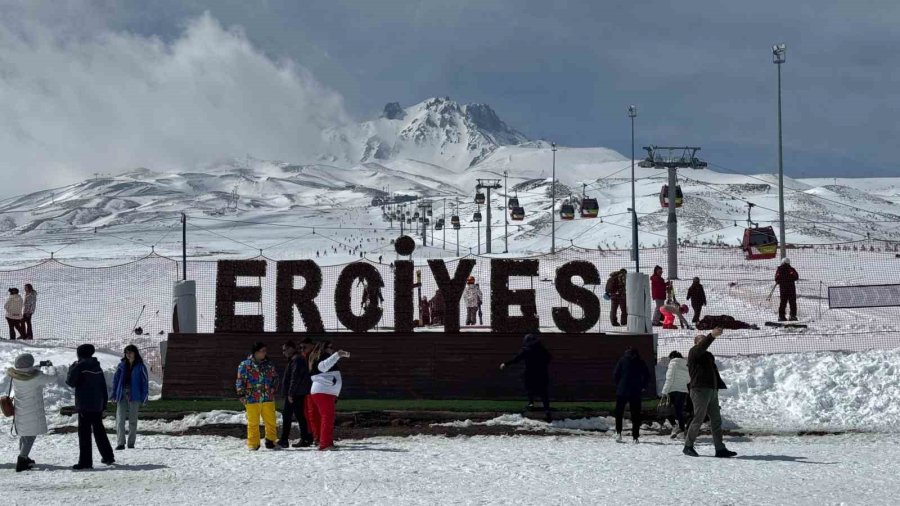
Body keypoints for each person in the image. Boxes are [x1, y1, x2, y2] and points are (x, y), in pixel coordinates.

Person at [683, 328, 737, 458]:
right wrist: (711, 335)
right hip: (699, 390)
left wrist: (717, 386)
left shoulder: (708, 355)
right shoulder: (694, 352)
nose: (704, 342)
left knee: (716, 420)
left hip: (711, 390)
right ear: (696, 343)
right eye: (701, 341)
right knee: (698, 418)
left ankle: (720, 448)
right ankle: (688, 446)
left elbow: (713, 372)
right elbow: (702, 346)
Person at [66, 344, 115, 469]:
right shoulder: (96, 366)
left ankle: (85, 462)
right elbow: (103, 386)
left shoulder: (80, 366)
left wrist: (71, 369)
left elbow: (71, 382)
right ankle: (108, 456)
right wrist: (103, 404)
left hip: (84, 404)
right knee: (99, 430)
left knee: (84, 433)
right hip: (97, 404)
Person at [4, 354, 55, 472]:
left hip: (20, 409)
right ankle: (22, 460)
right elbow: (53, 378)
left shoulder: (16, 375)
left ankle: (25, 457)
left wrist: (37, 367)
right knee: (30, 435)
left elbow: (27, 372)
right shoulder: (36, 377)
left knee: (24, 434)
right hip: (32, 410)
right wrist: (51, 366)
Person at [235, 342, 279, 451]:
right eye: (262, 351)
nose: (265, 353)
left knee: (271, 421)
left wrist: (273, 388)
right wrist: (241, 394)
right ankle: (253, 443)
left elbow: (275, 378)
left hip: (267, 397)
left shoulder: (269, 364)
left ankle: (271, 441)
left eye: (265, 351)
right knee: (253, 422)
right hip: (252, 398)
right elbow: (240, 380)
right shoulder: (245, 365)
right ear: (256, 352)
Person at [500, 333, 553, 422]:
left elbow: (516, 359)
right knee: (544, 392)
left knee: (529, 388)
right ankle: (547, 411)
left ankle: (531, 403)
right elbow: (549, 358)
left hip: (530, 373)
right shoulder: (542, 349)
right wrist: (543, 365)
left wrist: (505, 364)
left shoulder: (526, 350)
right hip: (542, 373)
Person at [308, 341, 350, 451]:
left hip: (325, 392)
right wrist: (337, 355)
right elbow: (322, 367)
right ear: (324, 348)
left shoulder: (323, 357)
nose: (331, 349)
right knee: (327, 418)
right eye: (330, 347)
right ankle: (325, 444)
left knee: (328, 418)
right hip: (323, 392)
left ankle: (327, 442)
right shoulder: (323, 357)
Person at [110, 344, 150, 450]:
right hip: (121, 393)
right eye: (126, 352)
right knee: (120, 419)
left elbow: (144, 382)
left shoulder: (140, 366)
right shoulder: (121, 365)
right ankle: (120, 443)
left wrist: (145, 395)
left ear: (135, 353)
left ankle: (131, 443)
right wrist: (114, 393)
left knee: (133, 419)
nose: (128, 354)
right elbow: (115, 380)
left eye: (130, 352)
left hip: (135, 394)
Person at [277, 339, 314, 449]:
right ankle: (306, 438)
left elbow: (295, 377)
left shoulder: (297, 360)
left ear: (291, 348)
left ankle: (285, 440)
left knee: (287, 416)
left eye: (285, 350)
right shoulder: (295, 359)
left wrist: (290, 393)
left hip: (295, 394)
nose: (283, 352)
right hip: (297, 393)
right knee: (299, 416)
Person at [612, 347, 650, 443]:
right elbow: (647, 375)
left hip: (622, 390)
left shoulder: (622, 361)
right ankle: (635, 437)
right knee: (636, 414)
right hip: (636, 391)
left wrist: (619, 385)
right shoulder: (640, 362)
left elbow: (616, 374)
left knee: (619, 412)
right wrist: (643, 386)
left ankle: (618, 433)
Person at [661, 351, 690, 438]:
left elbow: (669, 379)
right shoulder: (685, 365)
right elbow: (689, 379)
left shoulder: (672, 364)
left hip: (673, 391)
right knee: (679, 411)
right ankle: (681, 429)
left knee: (668, 410)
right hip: (683, 391)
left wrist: (664, 392)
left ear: (672, 357)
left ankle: (675, 426)